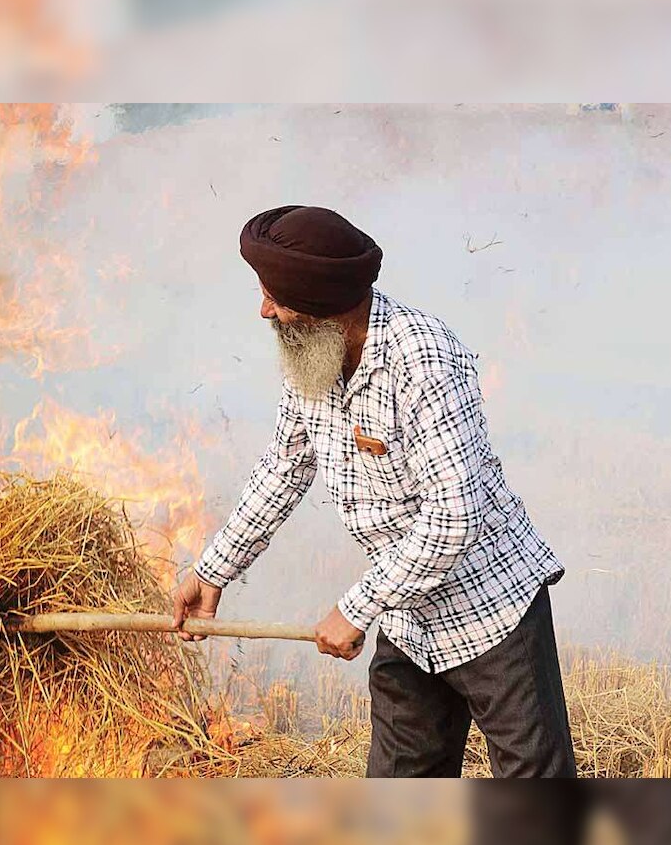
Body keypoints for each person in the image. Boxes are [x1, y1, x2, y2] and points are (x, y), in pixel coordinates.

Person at [172, 205, 574, 777]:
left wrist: (356, 609)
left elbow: (453, 518)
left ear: (322, 306)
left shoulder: (424, 360)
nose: (264, 311)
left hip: (493, 614)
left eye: (275, 298)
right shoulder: (312, 361)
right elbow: (284, 468)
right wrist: (212, 572)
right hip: (409, 616)